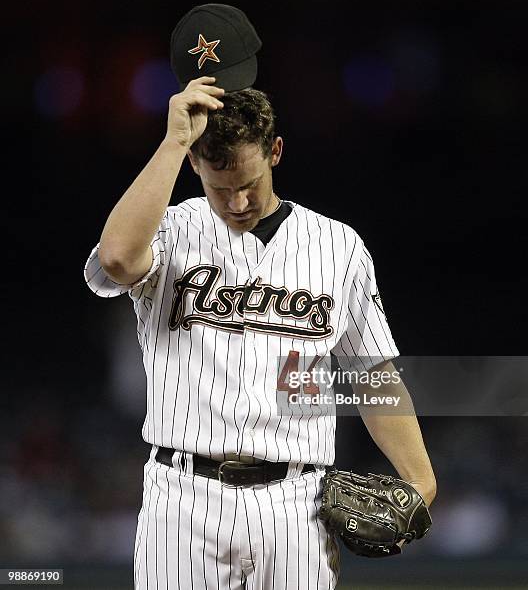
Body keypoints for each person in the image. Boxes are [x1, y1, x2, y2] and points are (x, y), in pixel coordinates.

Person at [84, 78, 436, 589]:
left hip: (298, 502)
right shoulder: (170, 229)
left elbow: (372, 372)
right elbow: (116, 259)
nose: (240, 201)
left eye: (250, 182)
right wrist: (174, 141)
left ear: (275, 151)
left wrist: (421, 480)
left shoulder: (337, 245)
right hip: (183, 497)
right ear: (195, 166)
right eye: (221, 187)